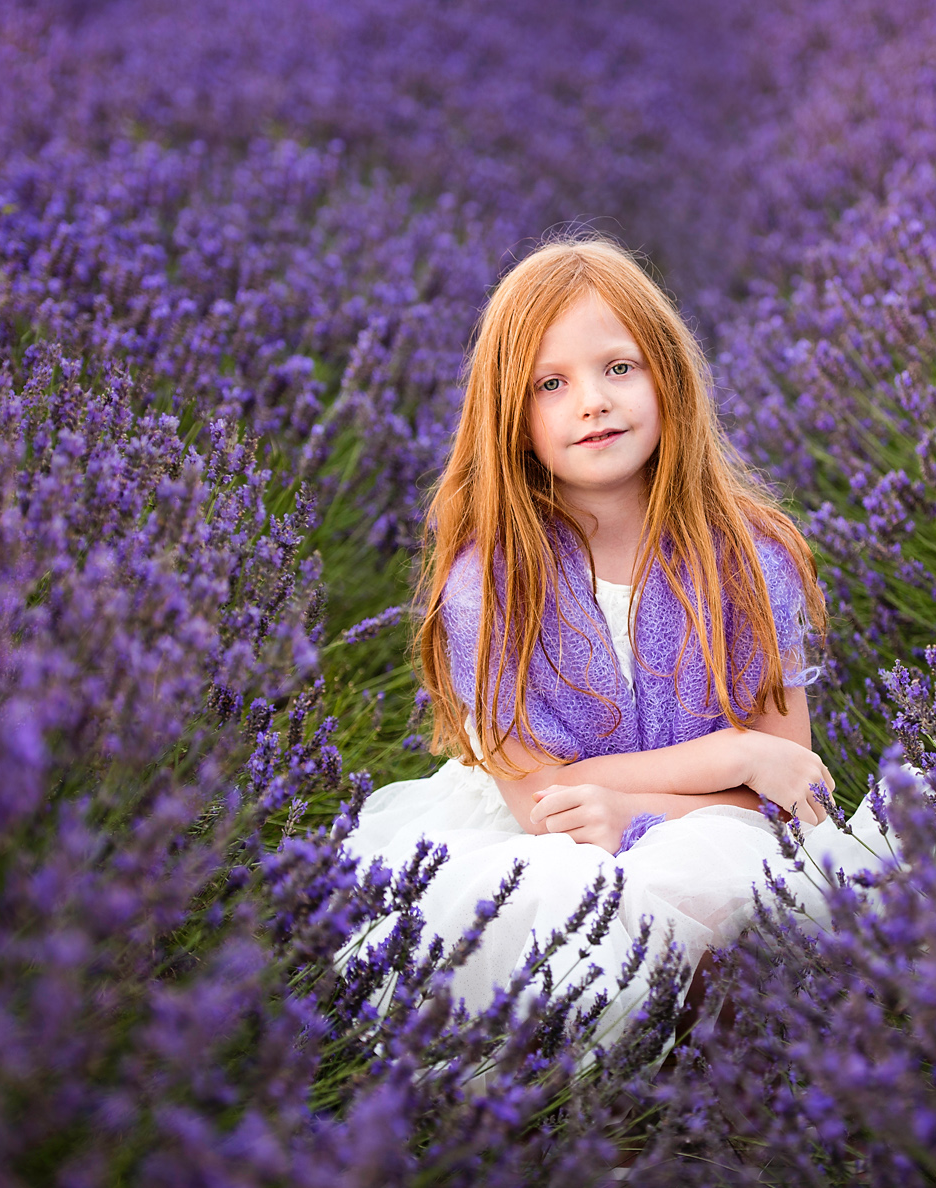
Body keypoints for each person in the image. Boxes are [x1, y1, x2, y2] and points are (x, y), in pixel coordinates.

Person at [339, 236, 898, 1044]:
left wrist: (636, 803)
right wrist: (733, 756)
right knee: (554, 913)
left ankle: (721, 1111)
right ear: (511, 417)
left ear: (668, 376)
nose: (592, 402)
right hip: (539, 840)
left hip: (723, 827)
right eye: (551, 384)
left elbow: (793, 786)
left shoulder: (748, 557)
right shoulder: (490, 586)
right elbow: (543, 804)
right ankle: (611, 1126)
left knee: (739, 894)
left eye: (619, 368)